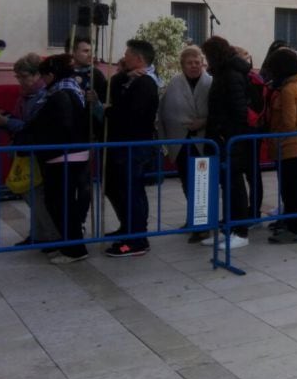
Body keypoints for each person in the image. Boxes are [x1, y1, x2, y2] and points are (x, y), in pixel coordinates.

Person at [21, 55, 91, 264]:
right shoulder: (69, 90)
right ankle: (70, 245)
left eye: (43, 76)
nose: (42, 81)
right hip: (67, 154)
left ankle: (75, 249)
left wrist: (34, 133)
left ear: (51, 75)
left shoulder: (61, 94)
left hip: (62, 156)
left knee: (61, 203)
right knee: (61, 202)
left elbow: (60, 126)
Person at [0, 52, 60, 245]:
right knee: (32, 195)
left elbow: (33, 126)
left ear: (37, 75)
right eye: (18, 77)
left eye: (24, 76)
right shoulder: (25, 96)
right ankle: (38, 234)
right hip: (24, 149)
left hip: (36, 151)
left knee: (38, 197)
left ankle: (51, 236)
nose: (20, 81)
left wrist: (8, 122)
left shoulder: (44, 96)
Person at [102, 39, 160, 257]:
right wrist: (124, 77)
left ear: (138, 58)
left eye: (127, 54)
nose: (124, 58)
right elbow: (115, 89)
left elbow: (130, 115)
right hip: (126, 145)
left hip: (134, 146)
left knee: (132, 192)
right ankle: (129, 230)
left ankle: (136, 240)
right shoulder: (132, 79)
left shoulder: (145, 83)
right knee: (122, 189)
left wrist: (108, 112)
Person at [201, 36, 255, 248]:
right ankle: (231, 228)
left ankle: (240, 232)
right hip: (224, 138)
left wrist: (225, 132)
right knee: (228, 185)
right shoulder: (224, 72)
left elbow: (238, 110)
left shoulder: (231, 74)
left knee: (235, 185)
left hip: (230, 140)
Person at [158, 46, 212, 242]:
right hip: (181, 142)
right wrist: (165, 140)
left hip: (203, 142)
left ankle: (203, 225)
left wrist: (203, 122)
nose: (194, 66)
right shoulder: (174, 83)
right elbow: (164, 112)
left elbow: (218, 111)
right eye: (190, 63)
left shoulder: (210, 82)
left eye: (197, 62)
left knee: (202, 185)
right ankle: (193, 219)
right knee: (187, 183)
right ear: (183, 65)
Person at [265, 48, 297, 243]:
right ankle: (292, 221)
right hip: (295, 145)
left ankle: (294, 226)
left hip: (288, 145)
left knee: (291, 189)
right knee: (293, 187)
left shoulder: (288, 90)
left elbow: (289, 122)